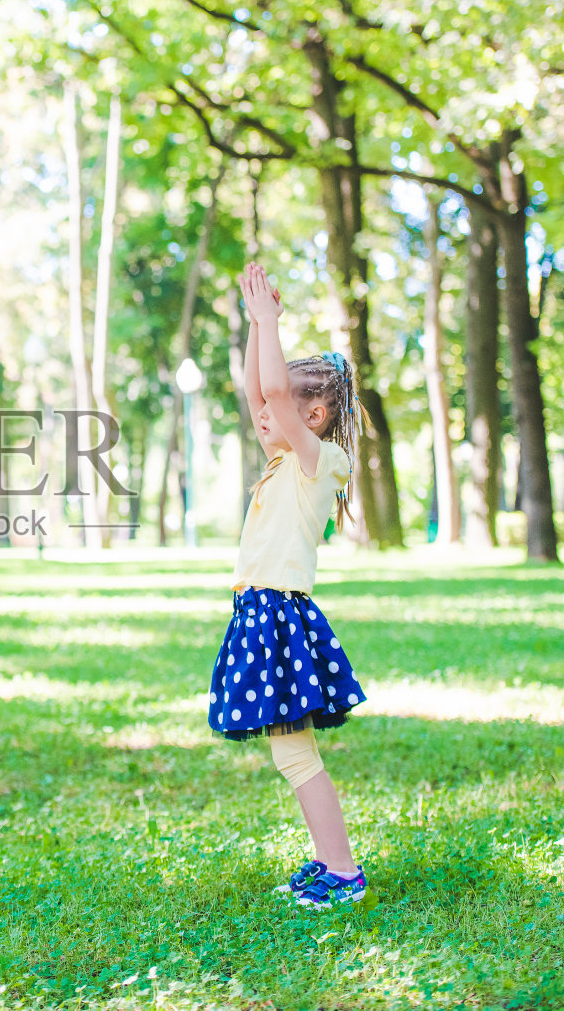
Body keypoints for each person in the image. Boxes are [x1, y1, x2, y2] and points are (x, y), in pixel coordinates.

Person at [208, 262, 369, 909]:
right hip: (257, 613)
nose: (265, 413)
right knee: (290, 754)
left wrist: (271, 322)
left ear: (317, 413)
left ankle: (344, 871)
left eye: (285, 407)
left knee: (296, 755)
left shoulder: (319, 460)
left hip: (278, 614)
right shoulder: (283, 459)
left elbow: (271, 395)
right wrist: (255, 325)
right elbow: (260, 393)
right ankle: (332, 860)